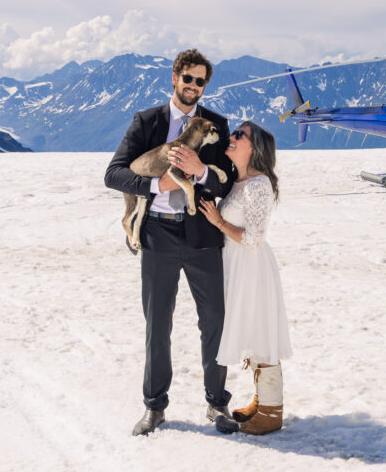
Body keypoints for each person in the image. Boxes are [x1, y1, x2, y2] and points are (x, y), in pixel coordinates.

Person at [104, 48, 235, 436]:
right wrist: (154, 184)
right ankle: (154, 407)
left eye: (201, 81)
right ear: (174, 78)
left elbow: (226, 178)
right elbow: (113, 174)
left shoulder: (216, 125)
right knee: (157, 324)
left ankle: (217, 404)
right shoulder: (148, 121)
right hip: (158, 232)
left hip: (202, 234)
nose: (194, 86)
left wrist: (201, 172)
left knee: (215, 322)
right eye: (188, 78)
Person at [199, 121, 291, 435]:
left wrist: (217, 221)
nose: (233, 137)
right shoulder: (239, 182)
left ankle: (272, 411)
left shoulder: (258, 184)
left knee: (260, 331)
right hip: (235, 265)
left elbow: (254, 237)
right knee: (250, 331)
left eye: (240, 135)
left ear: (254, 148)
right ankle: (261, 400)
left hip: (251, 267)